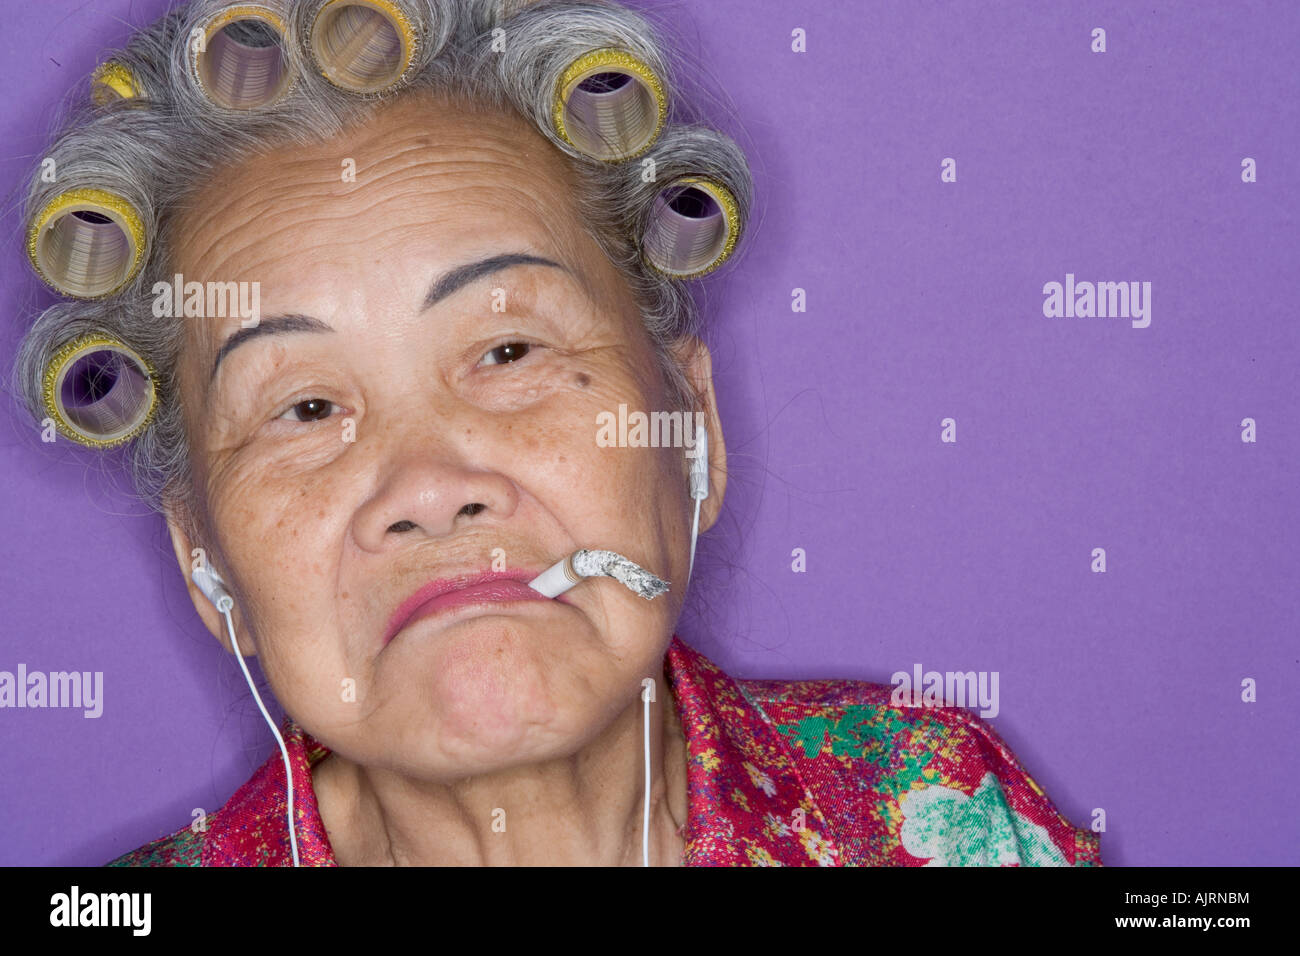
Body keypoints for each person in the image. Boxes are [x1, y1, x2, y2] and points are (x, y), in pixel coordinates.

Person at [14, 0, 1100, 866]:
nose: (431, 486)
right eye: (304, 408)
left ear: (693, 432)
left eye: (509, 352)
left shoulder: (940, 813)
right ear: (204, 558)